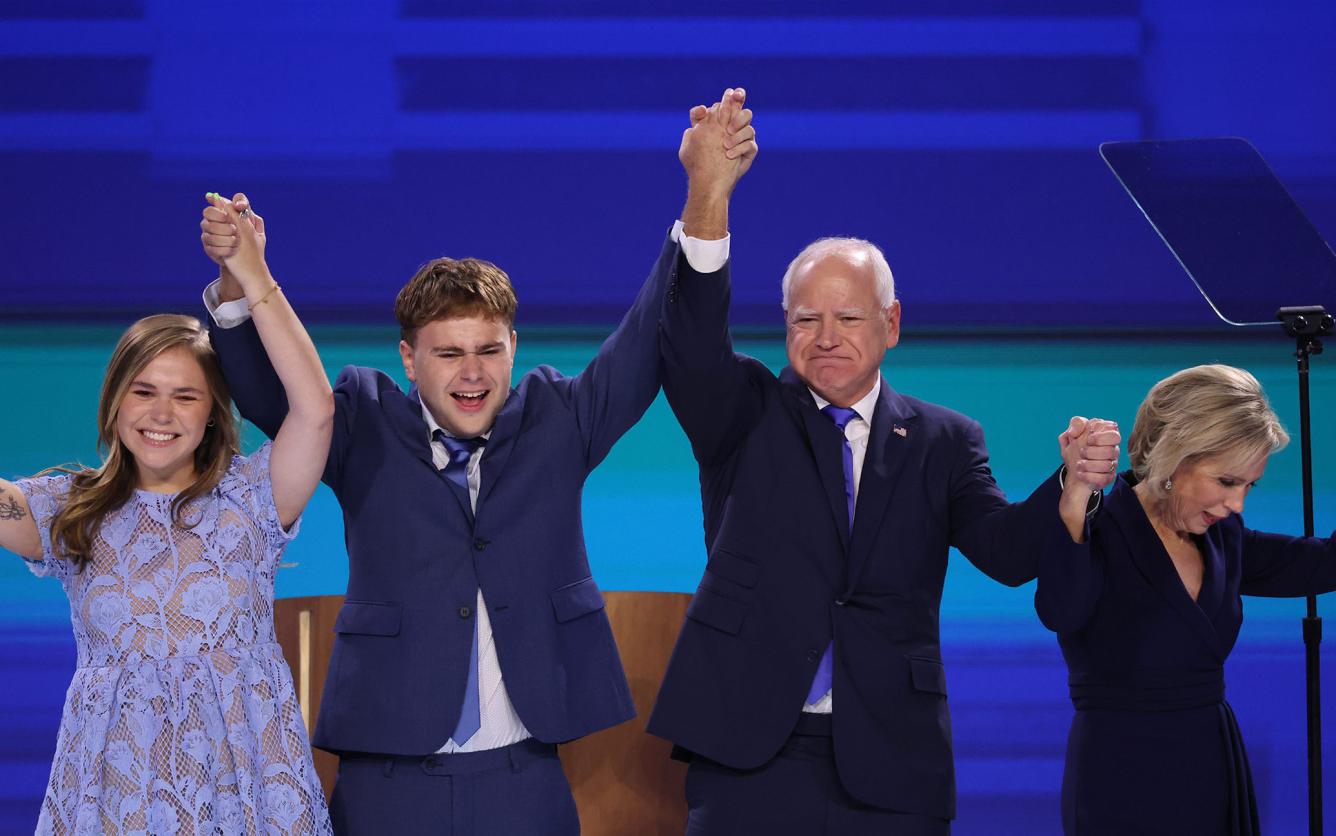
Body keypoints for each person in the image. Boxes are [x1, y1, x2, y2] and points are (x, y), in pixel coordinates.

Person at [195, 102, 759, 835]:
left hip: (524, 781)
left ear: (514, 348)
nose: (472, 373)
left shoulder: (560, 419)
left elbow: (650, 335)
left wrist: (704, 196)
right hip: (386, 780)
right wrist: (241, 284)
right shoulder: (361, 420)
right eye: (449, 352)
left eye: (489, 350)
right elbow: (274, 394)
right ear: (409, 358)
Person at [645, 87, 1121, 835]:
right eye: (806, 319)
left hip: (891, 758)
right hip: (749, 753)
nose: (826, 336)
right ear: (785, 326)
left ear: (892, 324)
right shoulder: (742, 413)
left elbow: (1003, 552)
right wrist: (709, 194)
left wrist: (1071, 485)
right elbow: (692, 340)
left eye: (849, 317)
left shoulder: (944, 440)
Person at [0, 193, 334, 834]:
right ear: (114, 402)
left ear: (212, 413)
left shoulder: (251, 497)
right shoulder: (70, 511)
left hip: (248, 799)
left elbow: (315, 407)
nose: (161, 413)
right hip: (112, 803)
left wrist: (251, 276)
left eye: (186, 396)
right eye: (144, 392)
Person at [1036, 364, 1336, 835]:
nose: (1237, 504)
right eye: (1227, 482)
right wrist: (1075, 499)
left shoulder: (1224, 538)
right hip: (1120, 776)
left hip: (1212, 766)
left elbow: (1325, 564)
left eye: (1248, 486)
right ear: (1175, 460)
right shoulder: (1098, 528)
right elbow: (1060, 609)